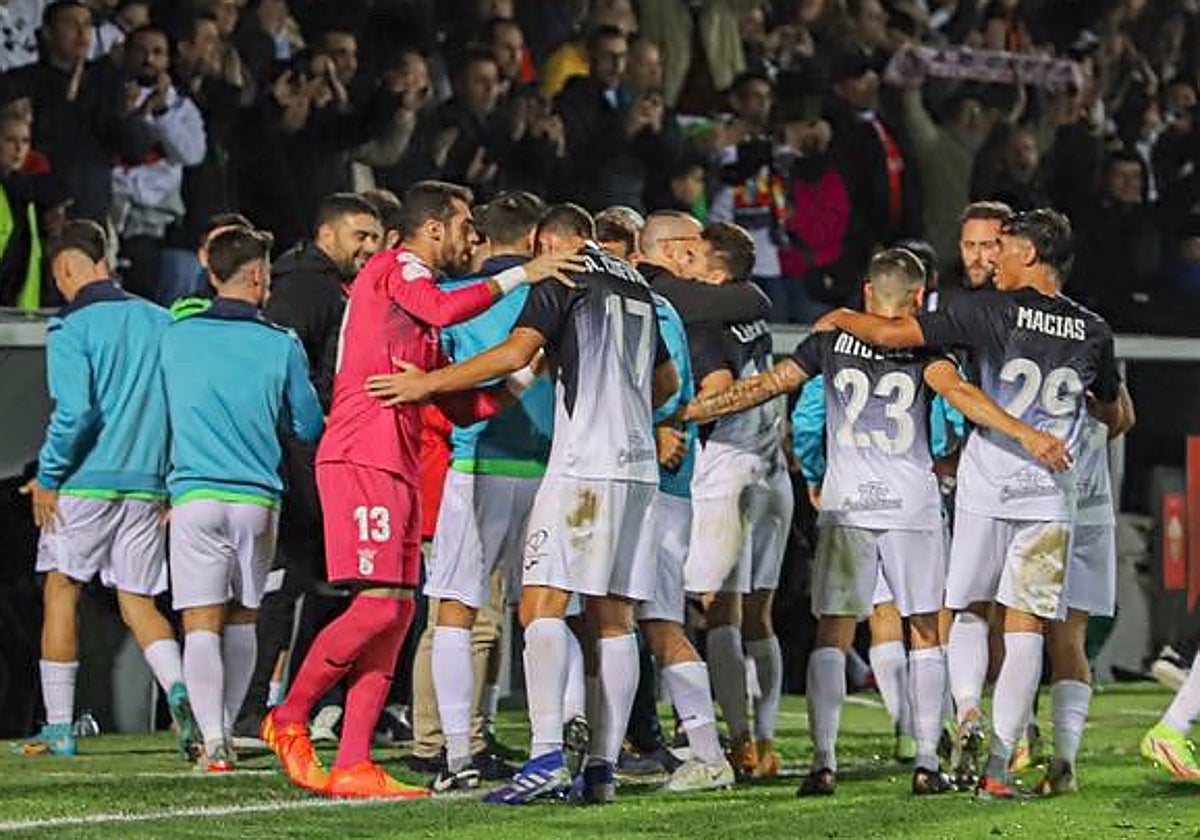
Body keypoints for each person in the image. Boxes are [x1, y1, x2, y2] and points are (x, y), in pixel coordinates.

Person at [682, 246, 1070, 796]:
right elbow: (958, 395)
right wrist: (1025, 433)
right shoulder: (926, 346)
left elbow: (767, 386)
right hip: (911, 501)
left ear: (867, 291)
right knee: (924, 630)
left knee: (833, 633)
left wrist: (691, 411)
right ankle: (928, 761)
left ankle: (823, 762)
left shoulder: (829, 340)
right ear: (917, 298)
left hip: (847, 504)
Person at [262, 181, 584, 800]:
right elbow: (441, 308)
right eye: (466, 225)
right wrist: (526, 276)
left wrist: (524, 374)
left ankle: (354, 761)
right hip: (363, 454)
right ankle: (289, 715)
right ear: (433, 228)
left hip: (400, 461)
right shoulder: (397, 268)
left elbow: (464, 406)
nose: (475, 239)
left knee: (400, 612)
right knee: (381, 606)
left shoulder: (417, 317)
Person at [365, 203, 680, 805]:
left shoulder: (561, 276)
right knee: (614, 620)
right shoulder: (639, 287)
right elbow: (664, 384)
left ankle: (544, 758)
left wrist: (424, 384)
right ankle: (602, 770)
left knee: (540, 605)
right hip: (637, 470)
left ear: (547, 243)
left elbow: (514, 355)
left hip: (579, 467)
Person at [811, 210, 1128, 799]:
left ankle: (968, 713)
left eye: (1002, 249)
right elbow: (1115, 415)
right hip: (1048, 498)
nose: (990, 260)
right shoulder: (1093, 329)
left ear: (1030, 255)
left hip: (986, 488)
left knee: (968, 612)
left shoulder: (984, 309)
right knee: (1027, 626)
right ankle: (1002, 767)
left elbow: (888, 333)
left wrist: (839, 317)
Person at [19, 219, 193, 759]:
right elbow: (177, 406)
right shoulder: (160, 321)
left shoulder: (71, 328)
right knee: (139, 601)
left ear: (66, 268)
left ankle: (59, 727)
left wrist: (48, 476)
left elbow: (75, 413)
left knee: (61, 590)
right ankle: (183, 696)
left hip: (87, 482)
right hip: (147, 484)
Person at [161, 226, 324, 772]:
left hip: (194, 494)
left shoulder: (176, 336)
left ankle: (214, 742)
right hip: (257, 499)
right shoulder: (280, 344)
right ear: (258, 276)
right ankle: (230, 725)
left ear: (212, 274)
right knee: (243, 618)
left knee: (200, 622)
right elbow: (307, 423)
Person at [421, 190, 555, 792]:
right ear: (533, 241)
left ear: (480, 238)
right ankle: (558, 745)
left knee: (456, 607)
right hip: (550, 469)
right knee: (551, 614)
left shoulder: (449, 301)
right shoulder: (553, 294)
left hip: (475, 462)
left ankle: (457, 754)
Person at [681, 221, 794, 779]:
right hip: (774, 476)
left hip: (729, 471)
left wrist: (674, 416)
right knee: (760, 616)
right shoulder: (751, 311)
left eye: (696, 258)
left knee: (714, 608)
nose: (686, 264)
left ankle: (741, 739)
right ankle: (768, 741)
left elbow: (718, 390)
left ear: (717, 273)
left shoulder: (705, 318)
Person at [641, 268, 736, 794]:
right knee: (606, 620)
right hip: (655, 486)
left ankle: (707, 752)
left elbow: (670, 391)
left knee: (655, 621)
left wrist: (659, 426)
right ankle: (595, 754)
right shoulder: (668, 311)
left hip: (654, 486)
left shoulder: (655, 311)